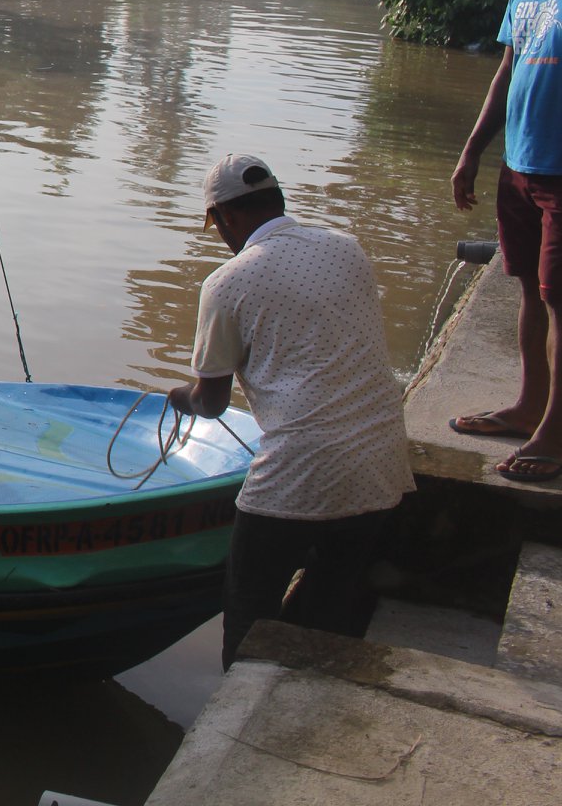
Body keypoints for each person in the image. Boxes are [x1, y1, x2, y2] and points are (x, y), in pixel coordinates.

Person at [169, 154, 413, 670]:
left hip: (299, 469)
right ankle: (318, 693)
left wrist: (180, 398)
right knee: (331, 597)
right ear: (276, 201)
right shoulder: (347, 249)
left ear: (227, 218)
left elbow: (210, 403)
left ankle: (238, 725)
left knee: (248, 612)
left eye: (217, 226)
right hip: (382, 458)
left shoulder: (226, 282)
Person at [451, 0, 562, 483]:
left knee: (561, 300)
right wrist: (473, 151)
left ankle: (556, 434)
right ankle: (529, 406)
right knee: (529, 291)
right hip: (520, 163)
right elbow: (507, 73)